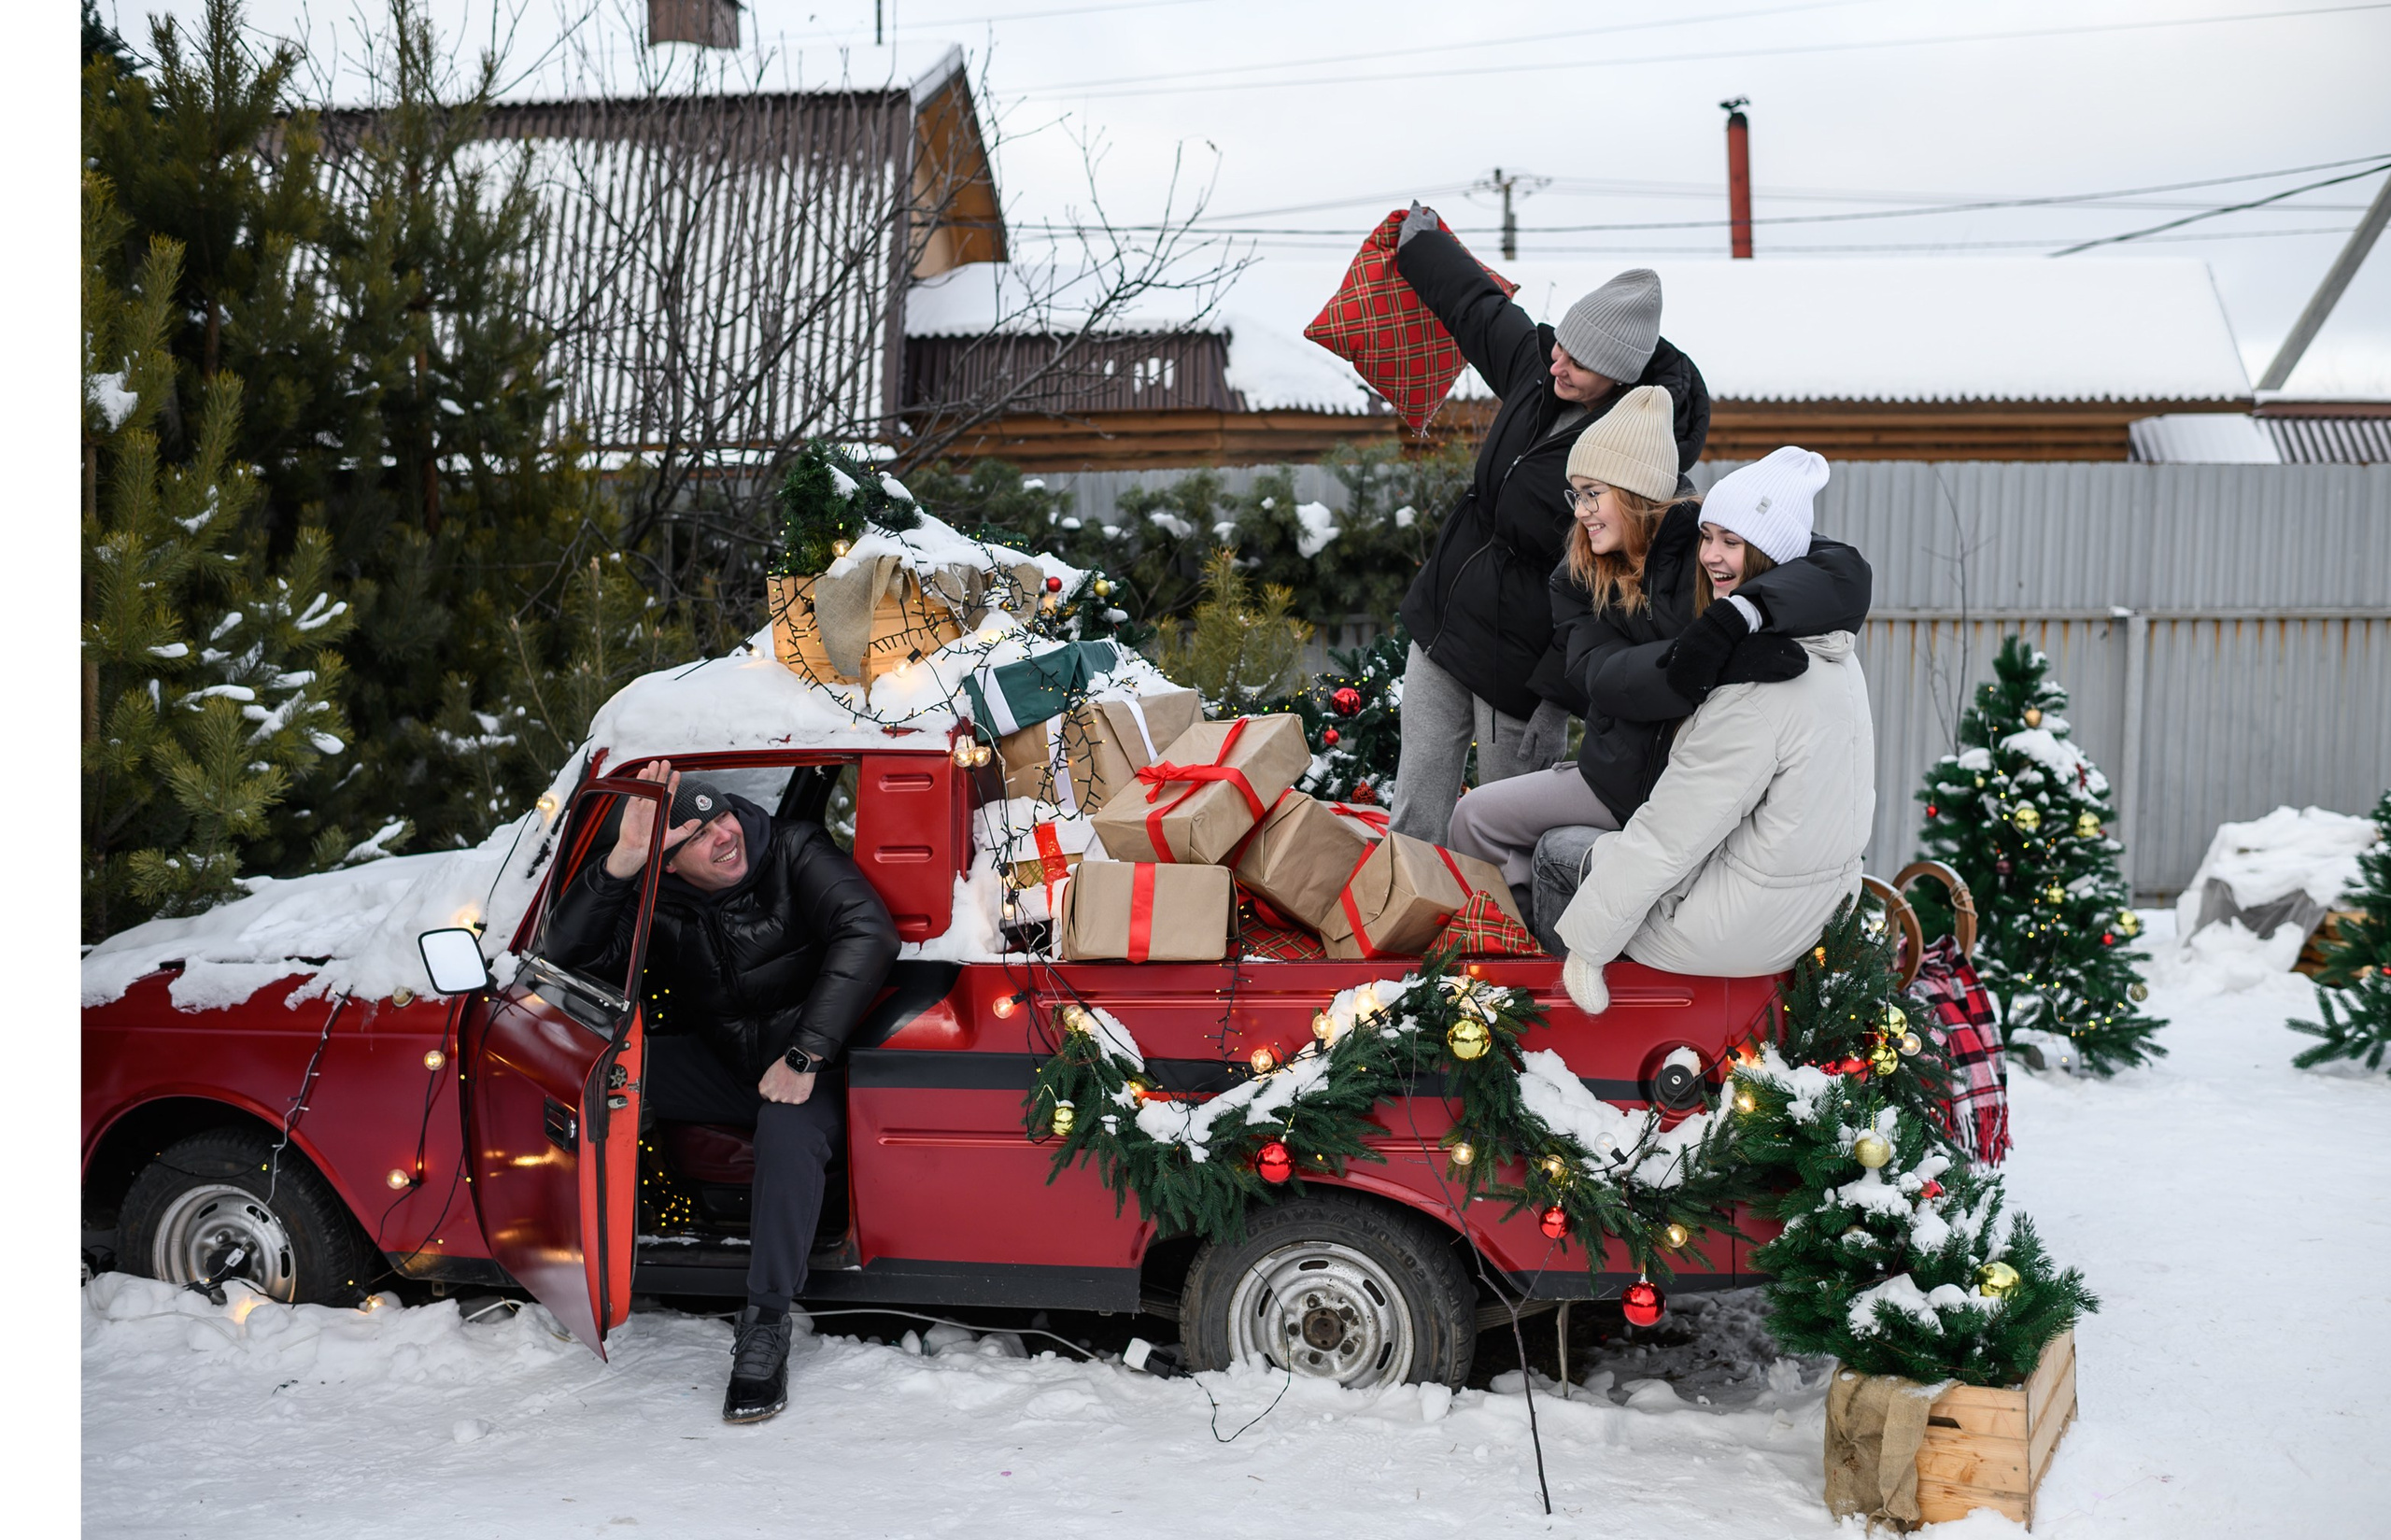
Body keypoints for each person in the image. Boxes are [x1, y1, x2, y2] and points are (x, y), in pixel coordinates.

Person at [545, 760, 898, 1425]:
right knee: (606, 1073)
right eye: (699, 834)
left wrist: (805, 1053)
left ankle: (765, 1324)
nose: (725, 834)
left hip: (817, 1067)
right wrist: (621, 861)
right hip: (731, 1063)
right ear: (669, 865)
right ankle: (594, 1256)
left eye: (722, 815)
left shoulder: (793, 849)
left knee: (787, 1134)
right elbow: (567, 957)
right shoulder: (661, 898)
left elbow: (868, 929)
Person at [1444, 401, 1871, 935]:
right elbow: (1601, 676)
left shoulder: (1707, 539)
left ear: (1635, 494)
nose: (1581, 510)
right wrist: (1706, 660)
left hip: (1696, 789)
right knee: (1474, 817)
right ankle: (1518, 957)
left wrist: (1740, 617)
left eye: (1595, 493)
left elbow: (1844, 572)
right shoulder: (1575, 578)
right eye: (1576, 494)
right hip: (1616, 780)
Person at [1386, 202, 1711, 847]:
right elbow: (1477, 308)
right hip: (1447, 618)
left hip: (1524, 661)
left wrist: (1557, 697)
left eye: (1576, 363)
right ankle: (1400, 929)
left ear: (1617, 376)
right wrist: (1422, 246)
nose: (1556, 364)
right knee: (1414, 812)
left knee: (1501, 838)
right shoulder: (1541, 371)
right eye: (1559, 346)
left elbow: (1612, 583)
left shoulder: (1639, 456)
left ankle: (1499, 945)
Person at [1546, 448, 1877, 1011]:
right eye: (1708, 537)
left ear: (1771, 552)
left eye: (1733, 542)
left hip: (1733, 930)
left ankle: (1561, 1025)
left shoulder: (1751, 688)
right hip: (1816, 914)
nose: (1712, 558)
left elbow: (1668, 838)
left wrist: (1587, 946)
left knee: (1556, 852)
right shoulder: (1837, 656)